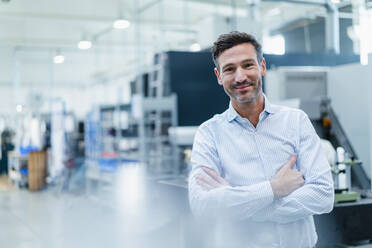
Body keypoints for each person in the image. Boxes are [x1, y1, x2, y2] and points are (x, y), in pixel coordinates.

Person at [188, 31, 334, 248]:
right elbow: (202, 206)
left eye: (248, 65)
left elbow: (322, 195)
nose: (240, 77)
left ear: (262, 67)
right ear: (219, 76)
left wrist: (240, 206)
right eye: (229, 69)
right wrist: (274, 188)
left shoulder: (296, 121)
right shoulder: (209, 133)